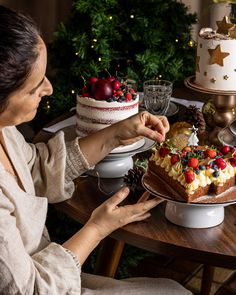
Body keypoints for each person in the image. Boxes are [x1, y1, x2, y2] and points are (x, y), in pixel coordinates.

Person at [0, 5, 192, 295]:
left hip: (54, 274)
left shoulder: (4, 131)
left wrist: (115, 133)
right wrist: (97, 228)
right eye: (34, 87)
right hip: (45, 285)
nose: (49, 89)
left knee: (172, 289)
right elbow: (32, 290)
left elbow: (36, 169)